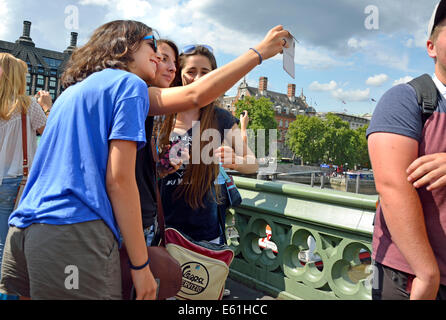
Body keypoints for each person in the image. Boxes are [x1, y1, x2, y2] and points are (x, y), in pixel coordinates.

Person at [0, 20, 289, 300]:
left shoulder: (73, 92)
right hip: (74, 232)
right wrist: (259, 52)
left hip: (25, 230)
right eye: (151, 45)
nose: (158, 56)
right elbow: (119, 179)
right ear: (121, 48)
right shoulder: (128, 86)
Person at [367, 1, 446, 300]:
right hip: (412, 276)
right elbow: (392, 186)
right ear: (431, 47)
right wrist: (427, 274)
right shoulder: (405, 99)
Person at [157, 45, 258, 250]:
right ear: (180, 74)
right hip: (162, 230)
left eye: (205, 73)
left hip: (205, 234)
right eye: (191, 72)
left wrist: (236, 162)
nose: (198, 79)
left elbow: (253, 164)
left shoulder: (221, 118)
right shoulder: (161, 113)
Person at [0, 54, 48, 300]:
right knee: (8, 243)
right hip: (17, 183)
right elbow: (50, 136)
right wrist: (47, 106)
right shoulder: (28, 105)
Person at [135, 39, 181, 247]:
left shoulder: (156, 116)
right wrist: (257, 54)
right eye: (163, 59)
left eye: (175, 63)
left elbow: (139, 169)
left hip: (147, 219)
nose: (172, 68)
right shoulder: (138, 96)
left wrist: (163, 166)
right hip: (129, 223)